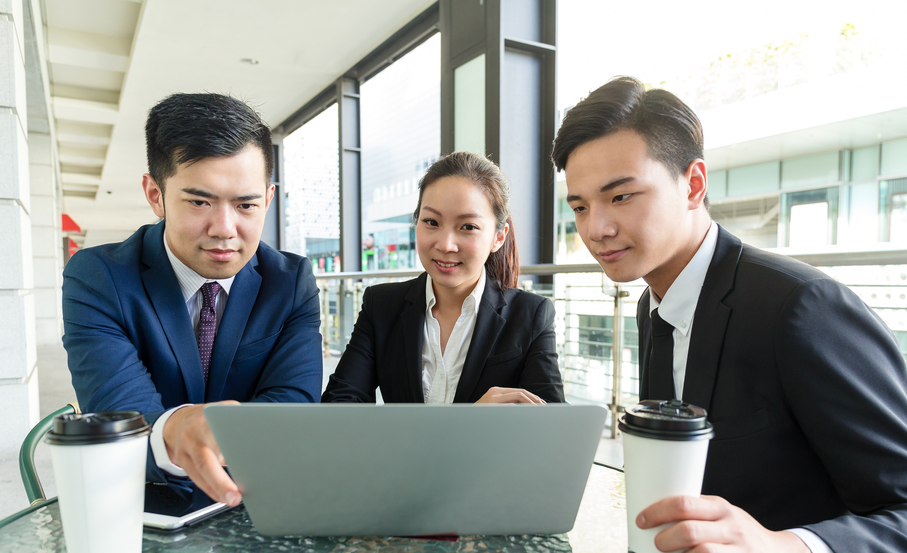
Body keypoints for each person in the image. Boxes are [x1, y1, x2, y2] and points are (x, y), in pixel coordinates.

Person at [551, 76, 907, 553]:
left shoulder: (801, 308)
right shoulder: (656, 306)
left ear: (693, 183)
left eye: (621, 196)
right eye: (580, 205)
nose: (595, 227)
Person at [63, 93, 322, 507]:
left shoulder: (290, 283)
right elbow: (120, 419)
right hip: (142, 506)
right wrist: (175, 431)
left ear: (268, 200)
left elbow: (294, 407)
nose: (224, 228)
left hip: (257, 505)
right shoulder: (99, 279)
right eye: (199, 201)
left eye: (246, 205)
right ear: (155, 194)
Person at [322, 151, 564, 405]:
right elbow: (339, 403)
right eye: (431, 221)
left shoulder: (531, 315)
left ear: (498, 237)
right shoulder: (381, 306)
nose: (446, 244)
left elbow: (552, 428)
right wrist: (470, 421)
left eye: (468, 226)